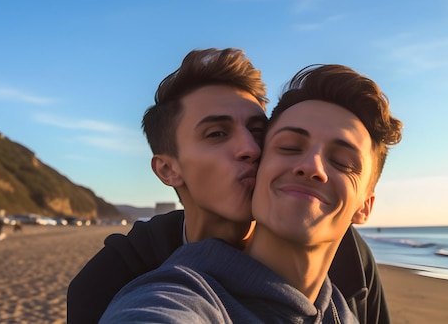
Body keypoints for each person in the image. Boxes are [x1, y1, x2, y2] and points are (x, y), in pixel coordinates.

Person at [67, 49, 390, 323]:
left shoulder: (347, 256)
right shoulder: (122, 277)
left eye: (259, 132)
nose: (250, 148)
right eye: (217, 134)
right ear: (168, 169)